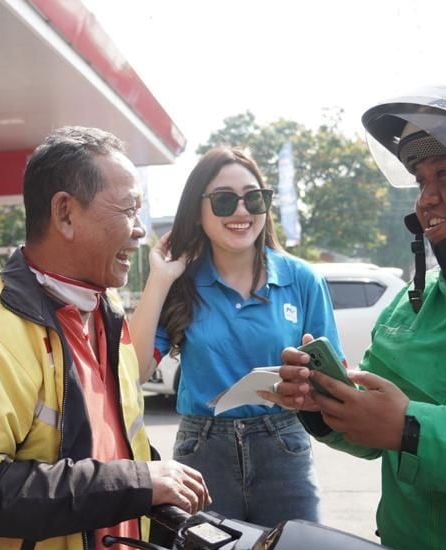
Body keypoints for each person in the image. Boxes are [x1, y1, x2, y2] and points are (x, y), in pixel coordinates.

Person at [0, 126, 210, 550]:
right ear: (65, 214)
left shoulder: (103, 307)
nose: (139, 231)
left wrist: (166, 505)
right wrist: (135, 483)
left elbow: (111, 444)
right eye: (129, 209)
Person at [268, 86, 446, 550]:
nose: (426, 199)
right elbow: (377, 431)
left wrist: (413, 430)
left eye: (445, 176)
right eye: (420, 180)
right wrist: (326, 407)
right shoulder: (411, 305)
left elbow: (404, 427)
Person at [130, 146, 342, 527]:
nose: (242, 212)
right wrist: (159, 278)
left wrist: (309, 387)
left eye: (253, 198)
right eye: (225, 201)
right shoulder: (182, 284)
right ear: (198, 211)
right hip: (202, 452)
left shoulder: (302, 280)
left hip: (283, 443)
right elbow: (133, 372)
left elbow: (334, 380)